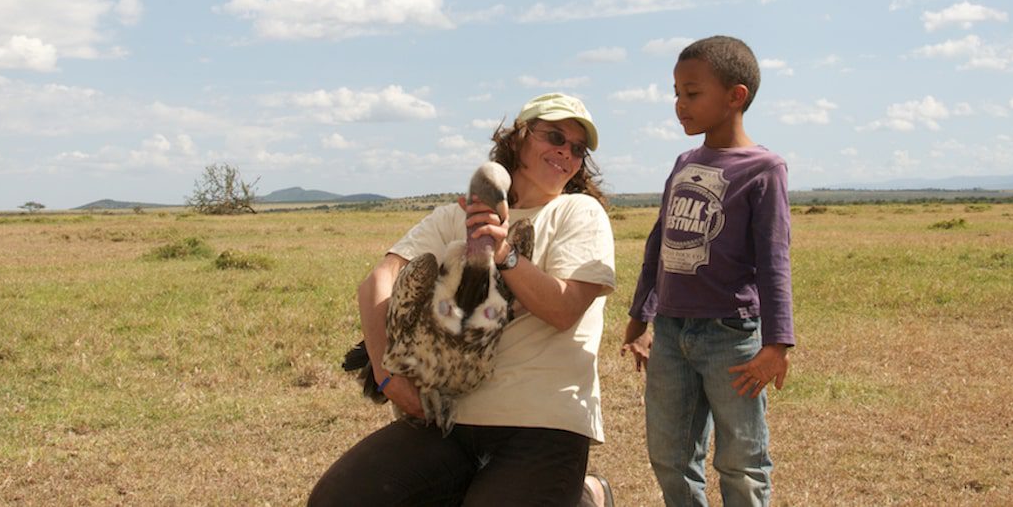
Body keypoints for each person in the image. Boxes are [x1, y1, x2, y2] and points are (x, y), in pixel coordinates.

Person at [308, 93, 617, 507]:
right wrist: (388, 378)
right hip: (447, 418)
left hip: (542, 421)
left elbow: (564, 309)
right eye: (555, 136)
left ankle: (583, 496)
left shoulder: (578, 213)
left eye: (579, 149)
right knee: (337, 500)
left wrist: (504, 252)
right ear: (518, 139)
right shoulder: (457, 217)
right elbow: (378, 282)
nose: (566, 151)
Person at [621, 36, 795, 507]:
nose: (680, 105)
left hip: (731, 336)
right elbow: (660, 246)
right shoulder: (684, 163)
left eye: (692, 93)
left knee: (740, 460)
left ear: (735, 96)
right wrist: (640, 321)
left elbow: (775, 260)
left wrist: (777, 345)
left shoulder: (764, 169)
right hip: (672, 334)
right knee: (670, 456)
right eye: (676, 93)